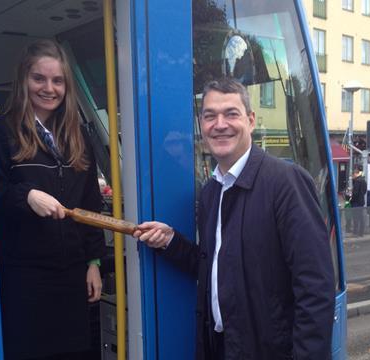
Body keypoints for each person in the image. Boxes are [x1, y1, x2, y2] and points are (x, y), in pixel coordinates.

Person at [134, 78, 335, 359]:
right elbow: (216, 267)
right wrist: (171, 241)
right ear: (201, 125)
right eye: (210, 116)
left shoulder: (286, 182)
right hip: (221, 347)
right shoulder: (211, 191)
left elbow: (316, 288)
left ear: (250, 121)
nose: (220, 124)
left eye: (231, 113)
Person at [0, 40, 106, 360]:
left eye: (57, 81)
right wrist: (26, 195)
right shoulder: (0, 131)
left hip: (71, 277)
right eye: (39, 78)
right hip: (24, 279)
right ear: (23, 80)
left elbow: (90, 205)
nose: (49, 88)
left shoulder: (79, 136)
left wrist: (94, 263)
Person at [350, 168, 367, 236]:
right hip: (361, 201)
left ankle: (355, 231)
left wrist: (351, 199)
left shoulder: (357, 181)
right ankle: (361, 232)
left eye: (353, 175)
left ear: (355, 174)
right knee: (361, 217)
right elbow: (365, 191)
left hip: (356, 202)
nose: (352, 176)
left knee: (355, 217)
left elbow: (355, 193)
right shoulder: (363, 180)